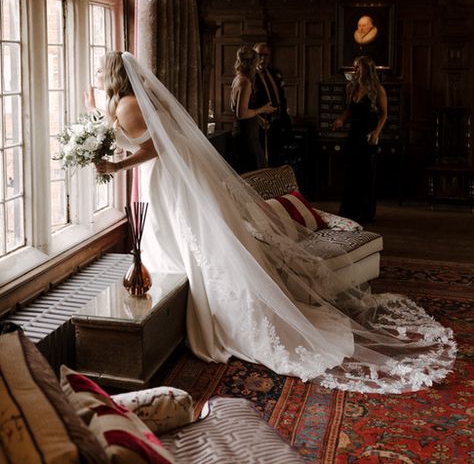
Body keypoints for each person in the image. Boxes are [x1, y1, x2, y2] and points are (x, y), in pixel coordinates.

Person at [93, 51, 455, 394]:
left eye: (99, 71)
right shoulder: (127, 103)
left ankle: (211, 312)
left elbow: (155, 146)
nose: (96, 76)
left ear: (112, 76)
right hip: (172, 176)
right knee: (184, 240)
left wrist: (115, 166)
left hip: (169, 177)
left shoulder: (129, 104)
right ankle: (175, 309)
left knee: (188, 240)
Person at [333, 55, 387, 224]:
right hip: (354, 133)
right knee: (351, 172)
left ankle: (366, 212)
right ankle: (349, 210)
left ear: (367, 69)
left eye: (358, 67)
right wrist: (341, 120)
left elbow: (384, 114)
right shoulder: (352, 87)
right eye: (354, 66)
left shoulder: (378, 89)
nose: (355, 70)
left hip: (368, 134)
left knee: (366, 174)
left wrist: (376, 133)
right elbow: (349, 110)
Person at [230, 45, 276, 172]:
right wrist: (262, 109)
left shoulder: (237, 79)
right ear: (252, 63)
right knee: (255, 172)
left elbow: (236, 108)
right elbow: (242, 114)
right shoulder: (245, 82)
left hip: (243, 131)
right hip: (247, 135)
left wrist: (257, 118)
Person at [253, 42, 292, 166]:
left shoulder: (274, 73)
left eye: (266, 55)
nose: (263, 58)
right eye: (260, 55)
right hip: (262, 123)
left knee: (277, 158)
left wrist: (285, 116)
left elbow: (282, 97)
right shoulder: (251, 76)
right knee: (263, 160)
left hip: (278, 122)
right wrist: (257, 117)